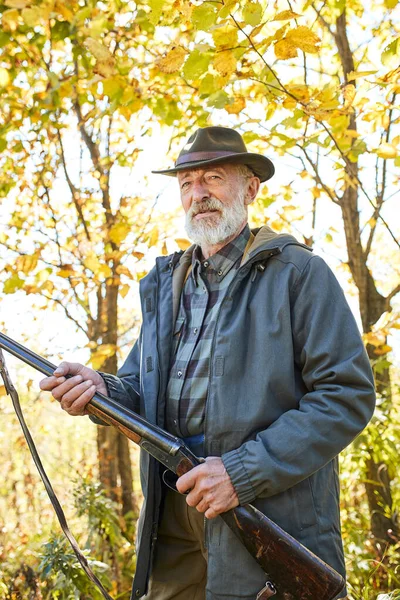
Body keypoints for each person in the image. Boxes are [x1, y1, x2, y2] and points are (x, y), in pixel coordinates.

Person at [40, 126, 375, 600]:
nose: (198, 194)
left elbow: (347, 394)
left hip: (266, 507)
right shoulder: (166, 284)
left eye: (213, 178)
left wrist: (240, 473)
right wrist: (101, 391)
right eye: (186, 184)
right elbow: (141, 387)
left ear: (250, 188)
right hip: (171, 512)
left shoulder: (299, 275)